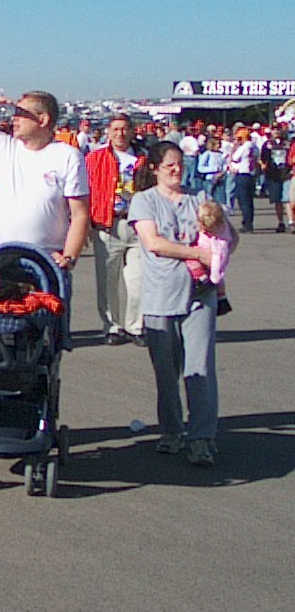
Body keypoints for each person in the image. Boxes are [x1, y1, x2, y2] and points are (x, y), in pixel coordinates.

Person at [129, 141, 231, 467]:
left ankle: (201, 438)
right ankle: (172, 431)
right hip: (160, 296)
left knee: (200, 368)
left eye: (180, 164)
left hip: (200, 295)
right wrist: (199, 253)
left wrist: (219, 249)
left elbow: (228, 235)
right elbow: (153, 243)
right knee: (166, 371)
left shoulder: (199, 198)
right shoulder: (144, 201)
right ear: (155, 168)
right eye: (169, 165)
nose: (176, 170)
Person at [0, 91, 89, 272]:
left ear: (43, 119)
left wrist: (69, 257)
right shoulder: (0, 147)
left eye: (21, 114)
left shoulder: (68, 156)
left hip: (47, 258)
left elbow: (80, 214)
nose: (15, 119)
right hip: (3, 255)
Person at [86, 113, 146, 345]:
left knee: (138, 281)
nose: (120, 133)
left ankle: (136, 326)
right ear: (108, 132)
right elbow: (86, 190)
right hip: (108, 224)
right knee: (107, 282)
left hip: (138, 225)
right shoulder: (95, 158)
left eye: (124, 129)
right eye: (116, 129)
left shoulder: (144, 158)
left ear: (132, 131)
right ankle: (112, 326)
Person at [225, 125, 258, 231]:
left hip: (243, 174)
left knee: (244, 200)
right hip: (251, 175)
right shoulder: (254, 147)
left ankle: (247, 223)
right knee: (249, 200)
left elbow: (235, 157)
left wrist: (234, 148)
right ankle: (248, 221)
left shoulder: (245, 146)